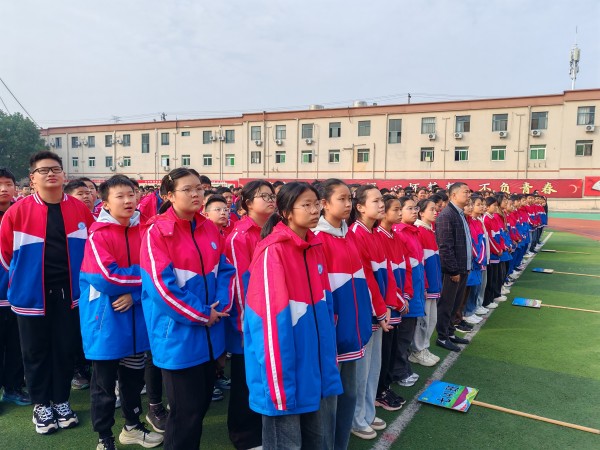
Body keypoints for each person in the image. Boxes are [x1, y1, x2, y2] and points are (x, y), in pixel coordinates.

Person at [140, 168, 235, 449]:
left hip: (210, 335)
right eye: (187, 189)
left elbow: (225, 270)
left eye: (199, 189)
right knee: (185, 415)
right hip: (177, 337)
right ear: (169, 195)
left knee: (200, 407)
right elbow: (162, 288)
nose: (196, 194)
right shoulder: (157, 232)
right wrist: (203, 313)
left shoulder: (209, 227)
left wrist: (219, 307)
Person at [0, 151, 94, 434]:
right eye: (43, 170)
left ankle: (61, 401)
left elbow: (92, 250)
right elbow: (5, 256)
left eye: (55, 169)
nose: (51, 174)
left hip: (70, 294)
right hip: (30, 297)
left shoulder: (80, 210)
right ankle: (41, 404)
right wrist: (22, 282)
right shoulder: (17, 211)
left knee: (65, 348)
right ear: (32, 178)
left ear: (64, 175)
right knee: (34, 352)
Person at [244, 182, 342, 450]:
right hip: (284, 374)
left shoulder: (314, 246)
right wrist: (279, 384)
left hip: (314, 368)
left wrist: (327, 362)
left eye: (316, 204)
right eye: (306, 205)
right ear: (286, 212)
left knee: (319, 441)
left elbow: (325, 308)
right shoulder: (273, 251)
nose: (314, 210)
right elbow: (268, 324)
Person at [79, 175, 163, 450]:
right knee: (104, 386)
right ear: (105, 203)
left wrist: (135, 294)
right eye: (120, 196)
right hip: (106, 322)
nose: (128, 200)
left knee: (133, 380)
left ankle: (132, 427)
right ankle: (104, 438)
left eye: (131, 194)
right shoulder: (98, 235)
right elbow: (105, 277)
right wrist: (143, 279)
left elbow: (160, 270)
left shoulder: (146, 230)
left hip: (136, 319)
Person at [313, 179, 374, 449]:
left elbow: (361, 281)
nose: (348, 204)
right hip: (333, 332)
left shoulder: (349, 235)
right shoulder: (317, 238)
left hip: (353, 330)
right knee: (328, 401)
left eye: (350, 198)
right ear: (324, 203)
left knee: (348, 395)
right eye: (342, 199)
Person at [225, 180, 275, 450]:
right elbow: (240, 284)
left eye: (271, 195)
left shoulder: (274, 229)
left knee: (264, 377)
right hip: (248, 322)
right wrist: (247, 325)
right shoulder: (240, 236)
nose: (270, 200)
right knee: (245, 380)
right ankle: (243, 435)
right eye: (263, 196)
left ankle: (263, 429)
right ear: (246, 204)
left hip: (270, 317)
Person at [348, 185, 393, 440]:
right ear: (360, 207)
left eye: (381, 200)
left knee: (374, 367)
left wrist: (387, 307)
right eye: (375, 201)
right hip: (366, 312)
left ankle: (367, 412)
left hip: (379, 311)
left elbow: (384, 275)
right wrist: (380, 311)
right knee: (361, 371)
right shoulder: (356, 234)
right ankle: (357, 418)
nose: (381, 204)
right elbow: (366, 279)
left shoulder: (374, 233)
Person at [374, 195, 409, 410]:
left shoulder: (395, 236)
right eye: (395, 209)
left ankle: (385, 387)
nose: (399, 213)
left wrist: (405, 296)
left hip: (397, 302)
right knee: (384, 351)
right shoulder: (378, 236)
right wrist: (397, 301)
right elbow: (384, 277)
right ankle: (380, 391)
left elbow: (403, 268)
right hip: (388, 305)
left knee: (391, 348)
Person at [0, 168, 30, 406]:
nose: (4, 189)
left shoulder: (22, 213)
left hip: (18, 292)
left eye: (8, 184)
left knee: (16, 343)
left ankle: (13, 387)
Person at [392, 197, 427, 385]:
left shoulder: (413, 232)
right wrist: (406, 294)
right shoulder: (399, 233)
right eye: (409, 208)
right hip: (408, 292)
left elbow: (419, 264)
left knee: (408, 332)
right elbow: (403, 269)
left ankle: (404, 368)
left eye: (416, 208)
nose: (414, 211)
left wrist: (424, 286)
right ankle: (400, 372)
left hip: (416, 289)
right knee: (403, 335)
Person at [435, 182, 472, 352]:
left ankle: (450, 332)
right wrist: (453, 270)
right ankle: (442, 336)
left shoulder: (460, 214)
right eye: (466, 192)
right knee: (447, 304)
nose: (469, 195)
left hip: (463, 267)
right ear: (454, 195)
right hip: (453, 271)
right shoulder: (446, 215)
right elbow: (445, 246)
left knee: (455, 303)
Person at [411, 197, 442, 366]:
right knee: (423, 320)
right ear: (421, 213)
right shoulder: (419, 231)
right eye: (431, 209)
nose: (435, 212)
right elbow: (420, 262)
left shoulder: (429, 230)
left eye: (436, 209)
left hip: (433, 283)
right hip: (427, 285)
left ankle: (424, 347)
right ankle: (417, 350)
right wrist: (426, 284)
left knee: (431, 319)